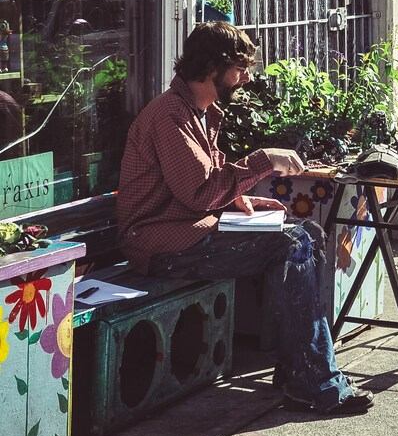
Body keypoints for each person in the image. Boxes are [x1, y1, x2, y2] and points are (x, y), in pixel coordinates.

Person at [117, 22, 373, 415]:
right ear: (211, 67)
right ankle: (315, 382)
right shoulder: (170, 116)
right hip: (158, 242)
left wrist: (239, 198)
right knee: (293, 245)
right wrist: (263, 160)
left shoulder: (196, 111)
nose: (245, 78)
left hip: (185, 230)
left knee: (308, 233)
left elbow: (200, 181)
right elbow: (200, 191)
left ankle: (299, 370)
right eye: (239, 68)